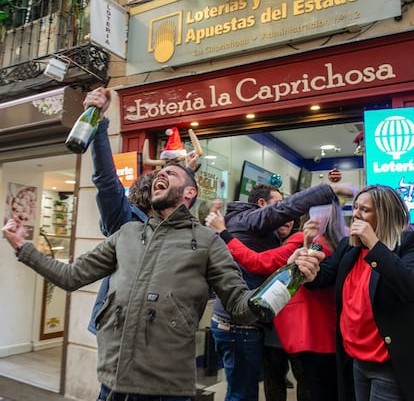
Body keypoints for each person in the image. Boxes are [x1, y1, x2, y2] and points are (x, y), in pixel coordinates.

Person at [2, 163, 323, 401]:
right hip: (112, 384)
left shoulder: (208, 242)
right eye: (159, 172)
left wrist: (290, 275)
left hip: (167, 388)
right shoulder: (125, 235)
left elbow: (242, 307)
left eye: (170, 173)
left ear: (189, 192)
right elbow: (71, 277)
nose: (160, 174)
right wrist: (23, 247)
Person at [208, 181, 353, 401]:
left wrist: (224, 233)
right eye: (279, 206)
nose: (285, 213)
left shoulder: (304, 240)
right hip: (303, 328)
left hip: (298, 328)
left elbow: (262, 262)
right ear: (262, 204)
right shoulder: (342, 239)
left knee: (289, 384)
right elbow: (261, 262)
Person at [85, 87, 200, 335]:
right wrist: (99, 123)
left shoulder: (168, 226)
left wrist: (188, 175)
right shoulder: (123, 220)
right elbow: (105, 180)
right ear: (153, 196)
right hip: (120, 329)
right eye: (163, 184)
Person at [302, 184, 414, 401]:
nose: (356, 214)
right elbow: (321, 277)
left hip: (388, 363)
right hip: (354, 359)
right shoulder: (349, 247)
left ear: (383, 214)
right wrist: (307, 263)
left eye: (364, 209)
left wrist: (374, 243)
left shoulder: (406, 243)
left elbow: (409, 285)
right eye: (355, 208)